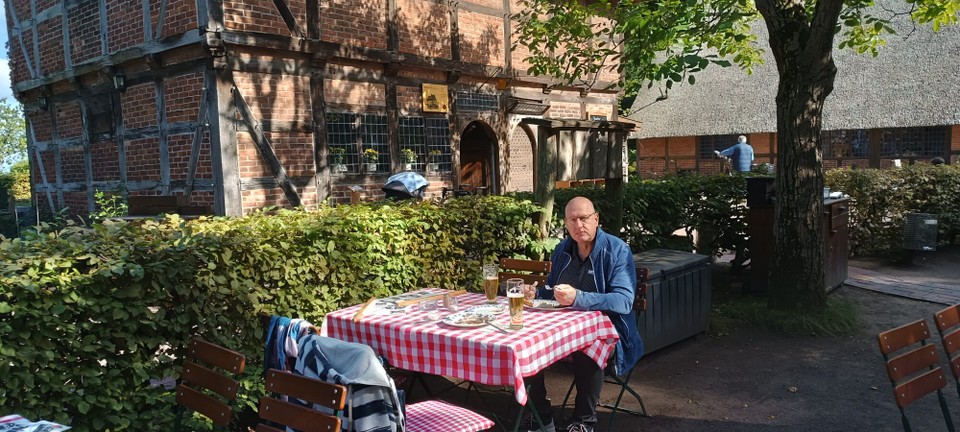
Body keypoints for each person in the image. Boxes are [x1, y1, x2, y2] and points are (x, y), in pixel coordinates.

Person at [522, 197, 644, 432]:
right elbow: (553, 292)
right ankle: (541, 416)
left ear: (596, 219)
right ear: (566, 224)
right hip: (563, 332)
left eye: (584, 218)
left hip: (611, 335)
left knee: (590, 346)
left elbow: (624, 301)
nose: (579, 225)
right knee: (526, 344)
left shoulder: (617, 250)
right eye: (573, 220)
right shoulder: (562, 250)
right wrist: (535, 293)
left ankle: (583, 421)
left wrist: (578, 298)